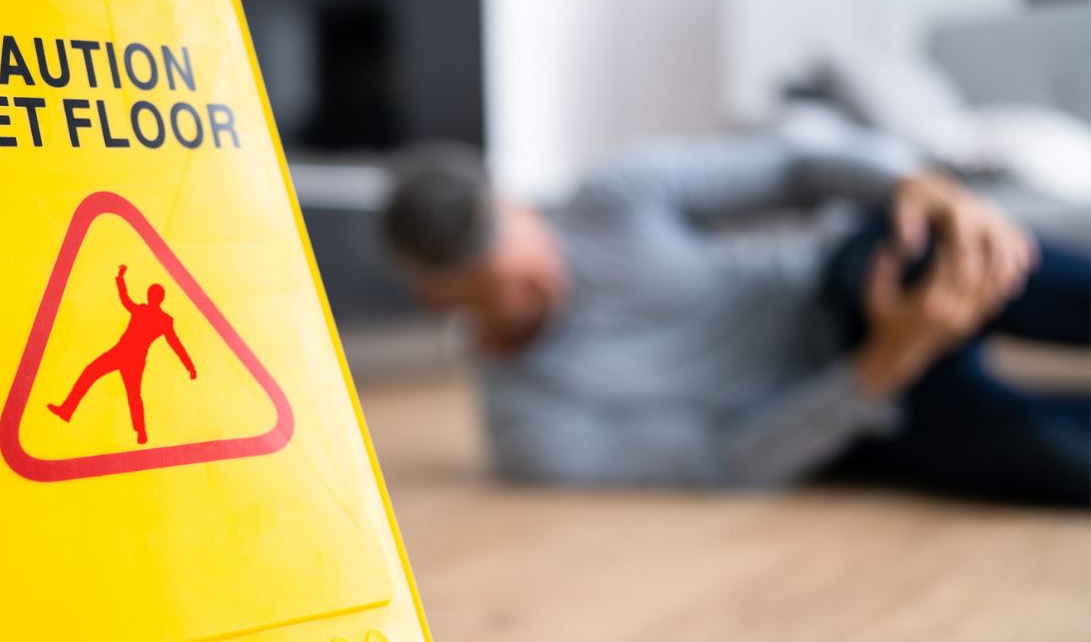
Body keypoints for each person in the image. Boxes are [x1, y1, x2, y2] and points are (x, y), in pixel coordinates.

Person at [382, 138, 1090, 505]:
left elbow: (794, 166)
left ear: (517, 205)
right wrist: (887, 363)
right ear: (441, 303)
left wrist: (924, 188)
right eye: (512, 290)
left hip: (843, 283)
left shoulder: (611, 198)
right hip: (844, 413)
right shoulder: (529, 430)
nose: (550, 277)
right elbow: (725, 462)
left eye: (529, 242)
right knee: (1046, 450)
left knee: (954, 248)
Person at [48, 265, 197, 445]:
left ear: (154, 297)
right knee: (105, 381)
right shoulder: (162, 319)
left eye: (151, 294)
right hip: (127, 355)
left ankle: (140, 430)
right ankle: (68, 410)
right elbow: (176, 345)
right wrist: (190, 367)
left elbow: (126, 300)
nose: (149, 296)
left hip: (126, 354)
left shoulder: (149, 313)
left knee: (124, 390)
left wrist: (120, 277)